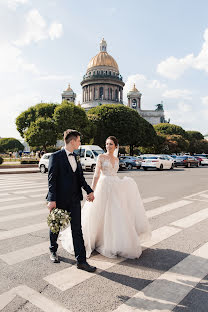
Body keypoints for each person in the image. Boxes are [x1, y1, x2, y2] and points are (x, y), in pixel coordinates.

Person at [60, 136, 151, 259]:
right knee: (97, 213)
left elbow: (115, 174)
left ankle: (113, 241)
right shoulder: (101, 157)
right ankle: (94, 238)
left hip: (115, 188)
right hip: (103, 186)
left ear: (116, 146)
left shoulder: (117, 159)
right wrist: (91, 190)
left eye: (111, 144)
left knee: (114, 214)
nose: (108, 146)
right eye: (107, 144)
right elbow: (96, 175)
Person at [46, 129, 96, 272]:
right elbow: (51, 180)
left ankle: (81, 261)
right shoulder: (55, 157)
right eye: (79, 141)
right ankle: (53, 250)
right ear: (73, 141)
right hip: (59, 200)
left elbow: (80, 178)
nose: (80, 143)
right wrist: (52, 199)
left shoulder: (76, 156)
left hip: (74, 200)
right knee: (55, 227)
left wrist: (89, 190)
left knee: (77, 230)